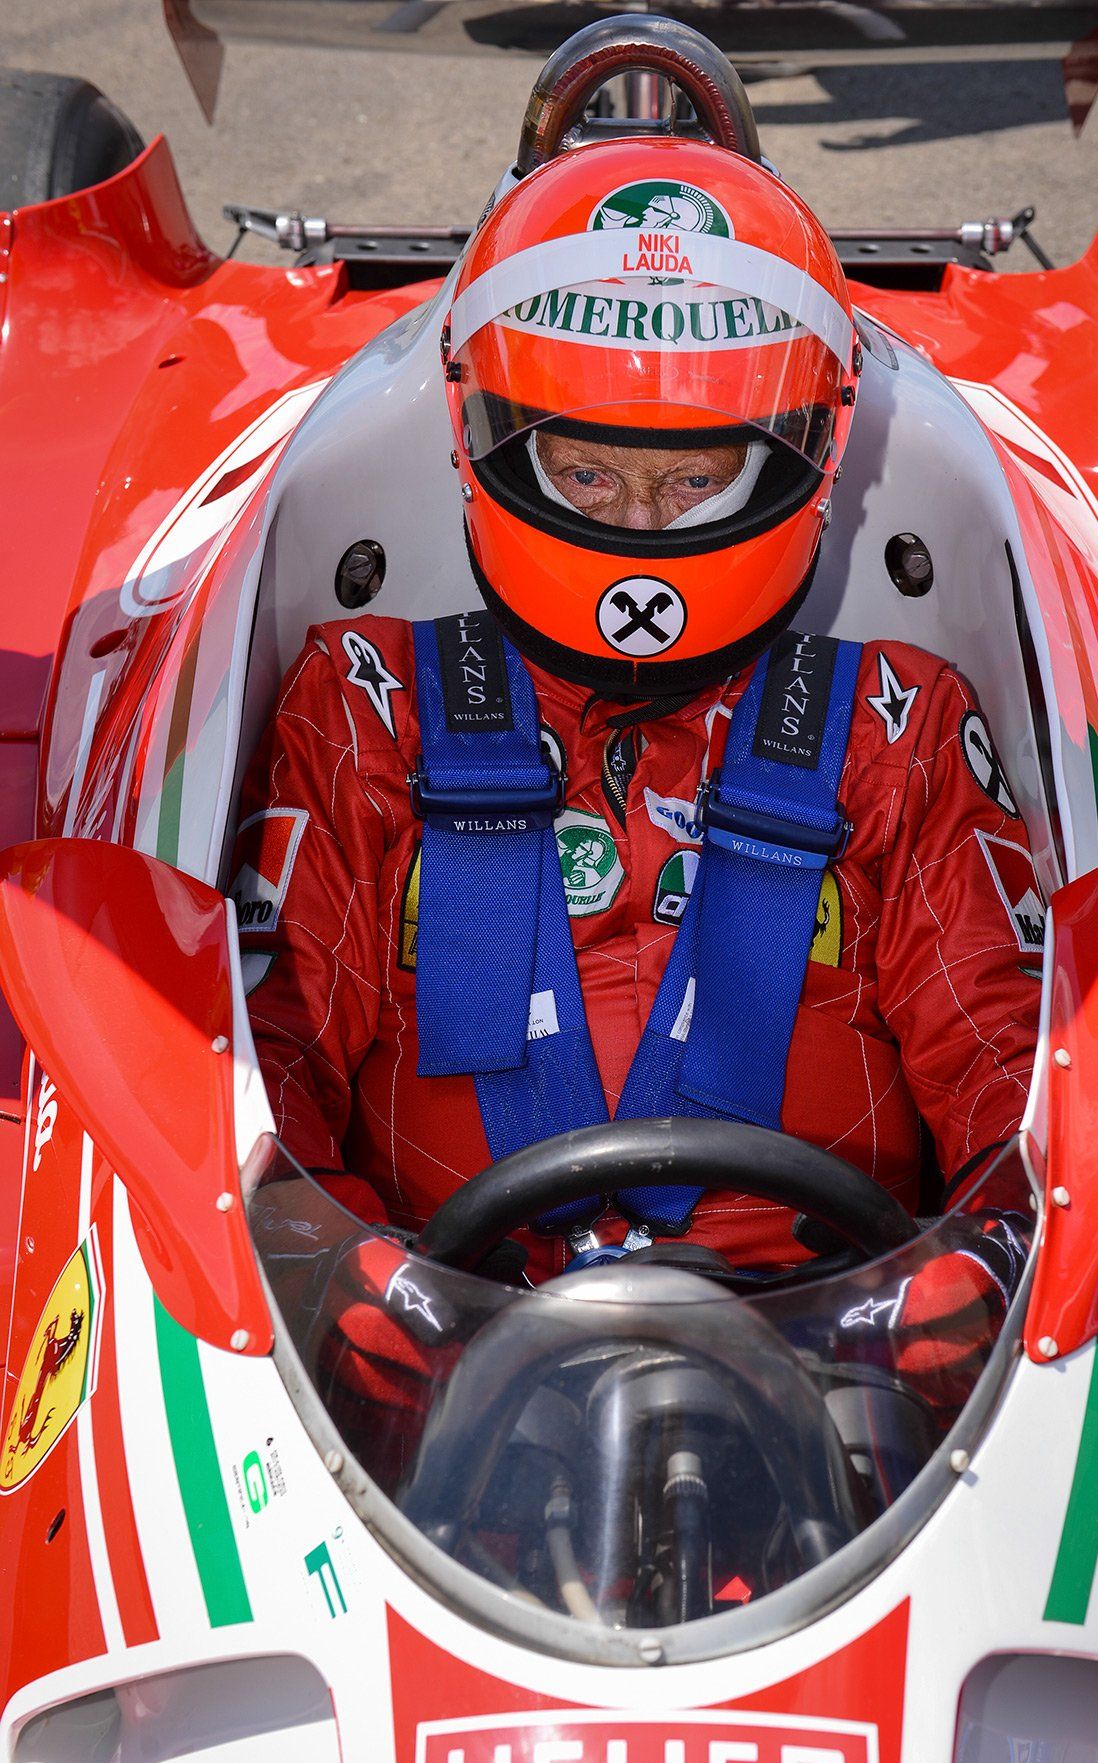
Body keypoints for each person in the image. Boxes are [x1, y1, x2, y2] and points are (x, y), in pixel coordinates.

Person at [235, 143, 1041, 1418]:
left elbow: (1011, 1068)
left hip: (832, 1373)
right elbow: (260, 1064)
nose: (640, 526)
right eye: (588, 473)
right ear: (491, 444)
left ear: (794, 457)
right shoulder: (366, 707)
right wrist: (334, 1274)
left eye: (695, 479)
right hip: (431, 1378)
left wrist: (992, 1257)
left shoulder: (896, 728)